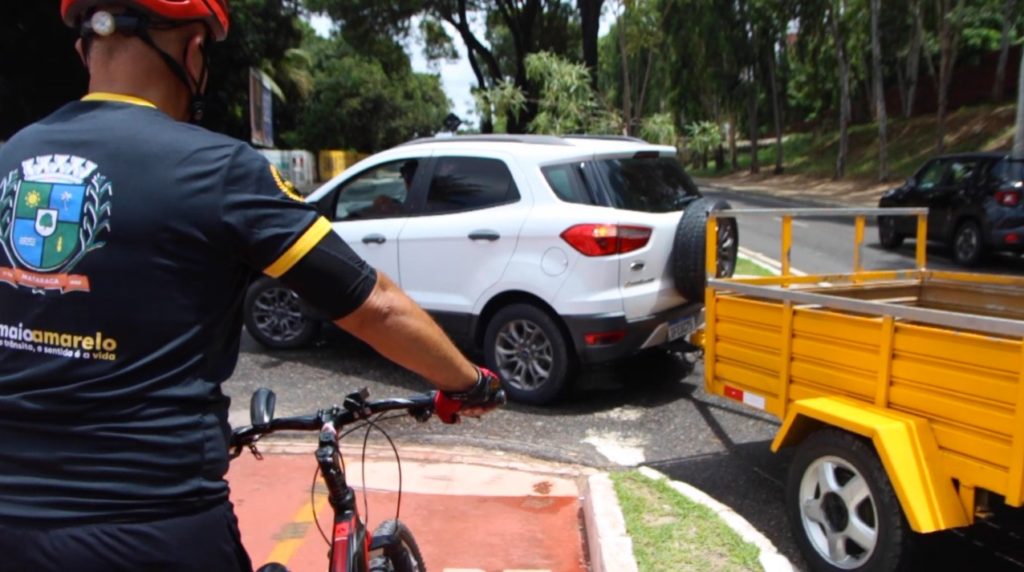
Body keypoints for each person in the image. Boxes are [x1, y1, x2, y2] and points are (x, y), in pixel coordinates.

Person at [0, 1, 503, 570]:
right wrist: (469, 381)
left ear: (83, 48)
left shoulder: (8, 159)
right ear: (193, 53)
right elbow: (373, 306)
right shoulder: (217, 169)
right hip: (154, 527)